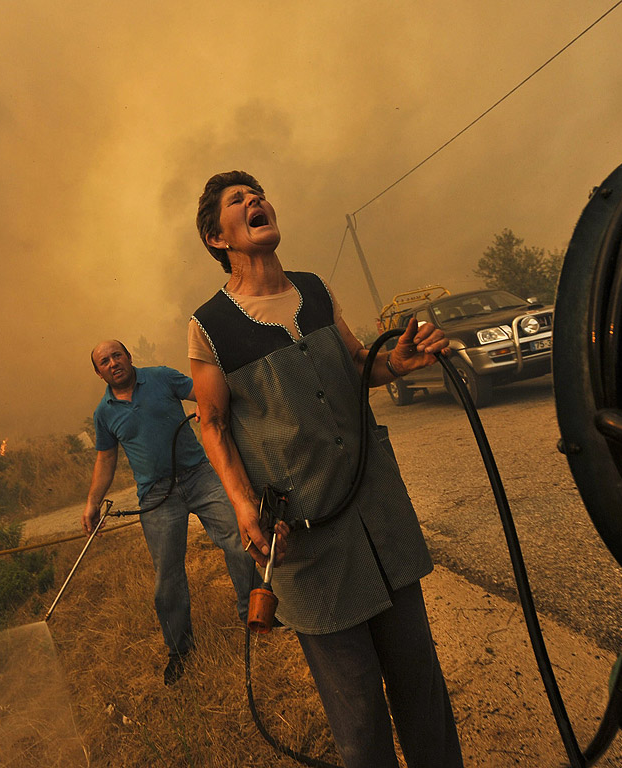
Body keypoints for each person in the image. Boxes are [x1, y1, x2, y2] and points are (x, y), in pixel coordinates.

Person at [187, 171, 463, 768]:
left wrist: (400, 361)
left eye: (257, 193)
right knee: (359, 714)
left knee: (421, 682)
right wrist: (241, 507)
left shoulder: (313, 289)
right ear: (217, 237)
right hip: (306, 542)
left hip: (378, 517)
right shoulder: (209, 326)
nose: (255, 200)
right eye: (238, 201)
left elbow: (361, 363)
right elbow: (212, 426)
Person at [83, 339, 254, 685]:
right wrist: (92, 503)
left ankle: (252, 615)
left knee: (240, 538)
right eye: (105, 361)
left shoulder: (161, 378)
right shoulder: (104, 414)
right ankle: (179, 650)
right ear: (99, 373)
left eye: (117, 355)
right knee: (168, 577)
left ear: (129, 357)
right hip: (156, 495)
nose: (113, 362)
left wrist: (210, 407)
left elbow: (204, 392)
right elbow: (106, 459)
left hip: (200, 476)